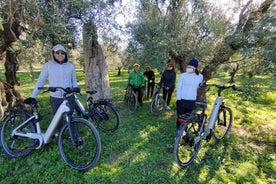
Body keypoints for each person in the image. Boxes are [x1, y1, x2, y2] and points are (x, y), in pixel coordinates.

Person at [30, 44, 79, 134]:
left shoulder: (70, 66)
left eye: (62, 53)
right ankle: (60, 136)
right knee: (58, 119)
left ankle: (75, 136)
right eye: (57, 52)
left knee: (71, 116)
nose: (60, 54)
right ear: (53, 54)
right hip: (55, 97)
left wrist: (75, 87)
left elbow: (73, 80)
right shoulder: (48, 65)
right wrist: (33, 95)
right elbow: (41, 81)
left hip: (69, 96)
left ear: (65, 54)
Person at [176, 58, 203, 129]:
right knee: (180, 118)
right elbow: (179, 87)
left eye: (191, 67)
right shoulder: (183, 75)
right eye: (188, 66)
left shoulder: (200, 77)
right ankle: (179, 133)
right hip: (182, 99)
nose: (189, 68)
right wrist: (178, 99)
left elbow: (198, 86)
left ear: (195, 68)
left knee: (187, 118)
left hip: (191, 100)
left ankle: (185, 130)